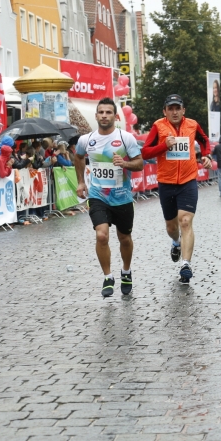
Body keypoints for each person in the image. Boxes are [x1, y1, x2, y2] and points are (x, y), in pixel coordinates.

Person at [74, 97, 144, 297]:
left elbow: (140, 163)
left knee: (125, 238)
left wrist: (125, 163)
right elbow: (78, 156)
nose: (104, 116)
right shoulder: (86, 140)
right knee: (101, 235)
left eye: (108, 112)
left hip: (122, 197)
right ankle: (108, 276)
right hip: (98, 196)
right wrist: (81, 182)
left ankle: (126, 272)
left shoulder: (125, 138)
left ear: (115, 116)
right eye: (101, 112)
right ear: (96, 115)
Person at [141, 94, 212, 284]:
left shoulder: (192, 125)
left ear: (183, 110)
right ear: (164, 111)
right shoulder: (158, 126)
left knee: (186, 221)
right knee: (172, 227)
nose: (174, 112)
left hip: (188, 181)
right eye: (170, 109)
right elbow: (145, 152)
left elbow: (204, 141)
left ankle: (186, 265)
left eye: (177, 108)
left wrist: (207, 156)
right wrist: (164, 146)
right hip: (166, 182)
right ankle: (176, 242)